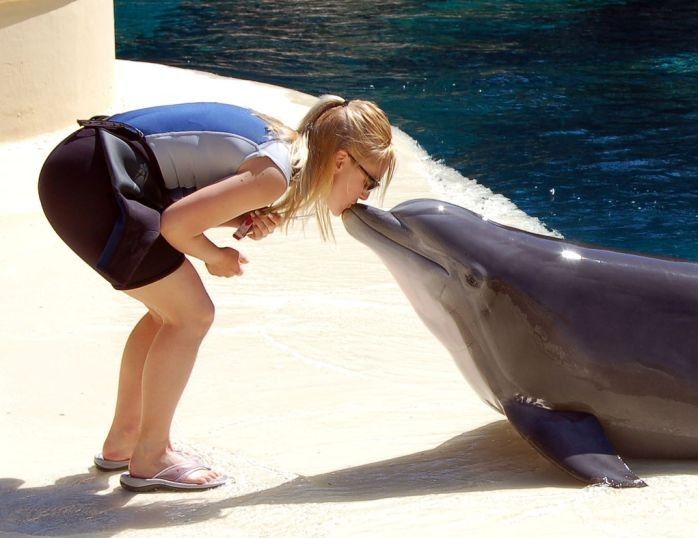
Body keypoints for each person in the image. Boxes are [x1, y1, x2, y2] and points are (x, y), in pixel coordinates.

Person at [38, 96, 396, 492]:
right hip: (94, 180)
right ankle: (152, 455)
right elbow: (176, 225)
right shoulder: (274, 175)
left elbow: (182, 194)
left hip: (85, 169)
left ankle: (125, 439)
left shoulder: (282, 151)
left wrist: (239, 218)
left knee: (167, 313)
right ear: (342, 159)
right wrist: (216, 257)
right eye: (370, 181)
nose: (366, 194)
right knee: (190, 315)